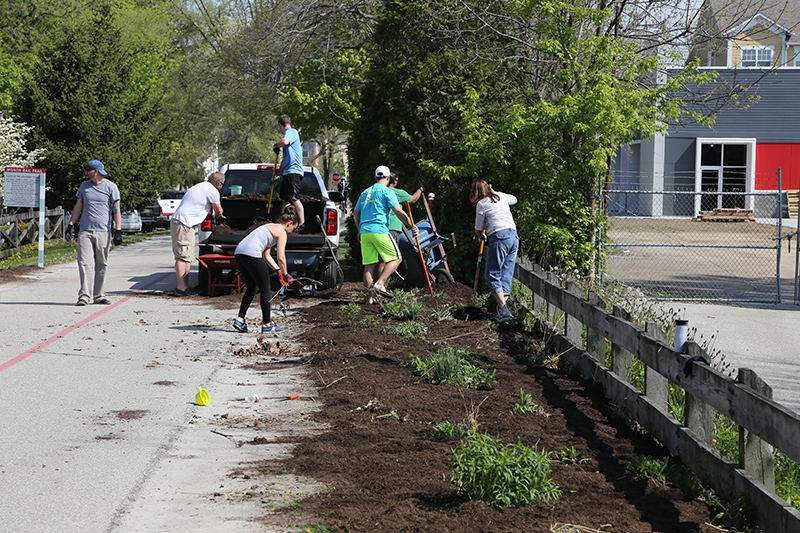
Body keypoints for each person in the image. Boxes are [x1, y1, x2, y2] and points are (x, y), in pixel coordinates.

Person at [353, 165, 419, 304]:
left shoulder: (365, 192)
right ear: (388, 178)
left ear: (375, 177)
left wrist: (359, 229)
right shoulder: (387, 191)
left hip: (365, 232)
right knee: (396, 259)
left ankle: (369, 299)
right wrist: (412, 225)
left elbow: (356, 212)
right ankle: (380, 284)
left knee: (369, 266)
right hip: (379, 230)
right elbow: (399, 212)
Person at [232, 205, 299, 334]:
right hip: (252, 253)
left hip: (239, 253)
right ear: (290, 223)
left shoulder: (269, 227)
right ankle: (267, 324)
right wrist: (285, 274)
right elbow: (281, 257)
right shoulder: (282, 232)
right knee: (266, 289)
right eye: (293, 228)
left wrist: (278, 271)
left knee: (252, 287)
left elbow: (266, 254)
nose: (292, 232)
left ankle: (240, 319)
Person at [65, 159, 123, 306]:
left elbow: (116, 210)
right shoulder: (84, 187)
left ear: (95, 171)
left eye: (88, 170)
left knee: (101, 263)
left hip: (103, 231)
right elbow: (78, 207)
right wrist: (70, 225)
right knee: (84, 263)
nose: (86, 172)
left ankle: (99, 295)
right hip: (85, 231)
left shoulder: (111, 187)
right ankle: (84, 296)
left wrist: (118, 231)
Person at [470, 179, 519, 323]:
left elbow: (478, 229)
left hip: (499, 236)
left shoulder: (481, 204)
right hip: (513, 236)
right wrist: (495, 191)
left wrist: (481, 236)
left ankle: (504, 311)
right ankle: (503, 311)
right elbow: (514, 200)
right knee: (506, 273)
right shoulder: (500, 196)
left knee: (492, 274)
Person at [170, 172, 225, 296]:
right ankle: (181, 288)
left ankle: (186, 286)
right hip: (183, 223)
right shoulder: (212, 190)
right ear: (219, 184)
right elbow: (218, 210)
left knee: (188, 256)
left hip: (185, 223)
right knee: (182, 255)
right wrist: (221, 217)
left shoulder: (201, 186)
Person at [273, 115, 307, 233]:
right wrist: (279, 174)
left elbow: (284, 141)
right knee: (284, 198)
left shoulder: (291, 132)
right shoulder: (289, 140)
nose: (280, 130)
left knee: (294, 198)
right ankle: (284, 223)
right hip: (287, 172)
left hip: (294, 172)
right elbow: (285, 160)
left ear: (280, 125)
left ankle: (302, 224)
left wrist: (276, 145)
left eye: (279, 128)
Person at [387, 171, 424, 244]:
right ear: (395, 181)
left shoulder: (378, 192)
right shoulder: (395, 192)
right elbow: (413, 199)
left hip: (377, 230)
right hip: (392, 229)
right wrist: (420, 189)